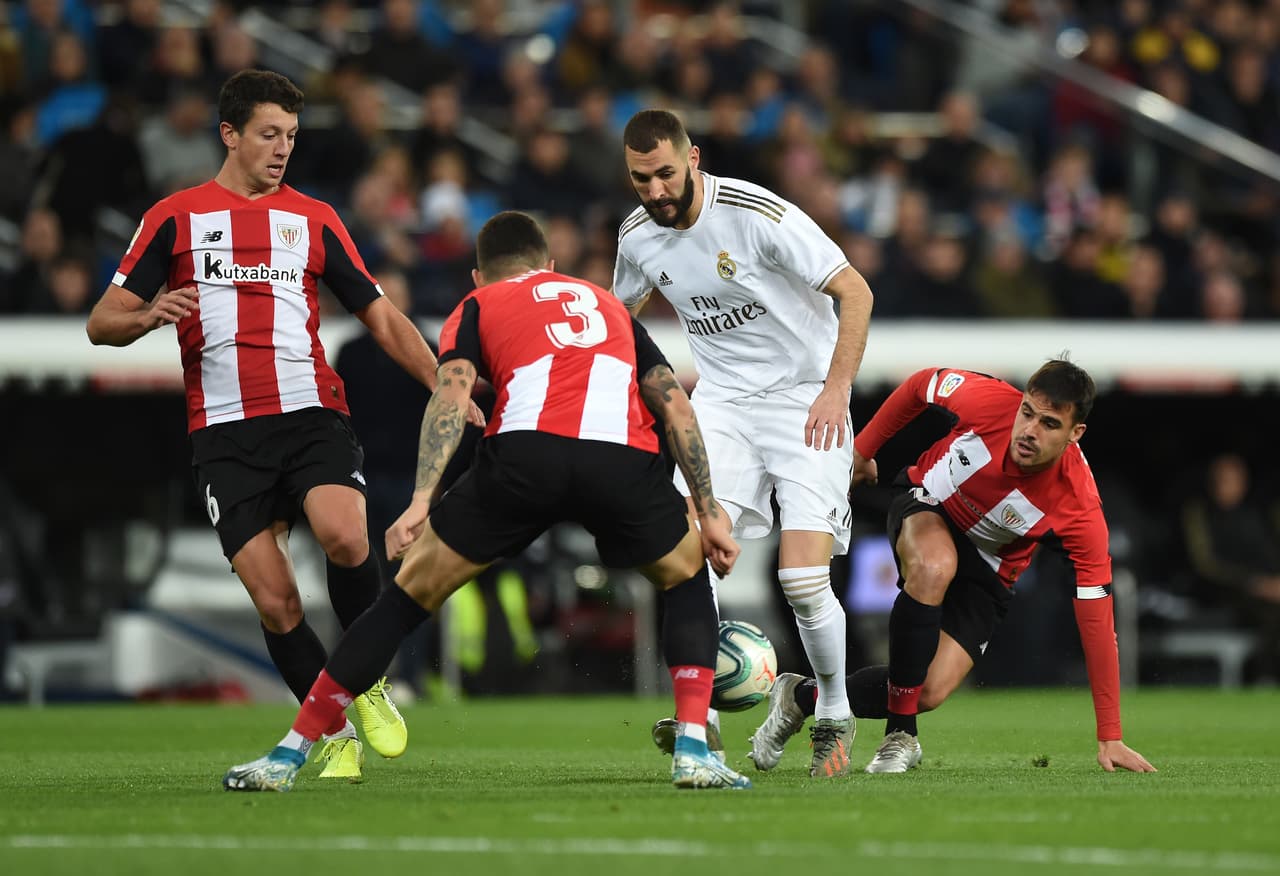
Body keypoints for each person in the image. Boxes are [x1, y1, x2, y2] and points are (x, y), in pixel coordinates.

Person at [222, 210, 753, 792]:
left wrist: (422, 500)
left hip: (524, 457)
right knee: (685, 578)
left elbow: (451, 397)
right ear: (550, 266)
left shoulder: (476, 307)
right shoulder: (606, 305)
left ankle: (289, 754)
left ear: (479, 276)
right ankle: (694, 751)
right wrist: (708, 513)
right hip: (620, 458)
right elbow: (673, 401)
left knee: (401, 603)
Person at [85, 70, 481, 781]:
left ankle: (370, 684)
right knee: (276, 599)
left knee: (346, 532)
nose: (282, 150)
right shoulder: (174, 218)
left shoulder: (315, 218)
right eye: (269, 134)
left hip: (309, 409)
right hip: (225, 431)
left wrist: (442, 383)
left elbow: (381, 314)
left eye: (292, 137)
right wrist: (147, 315)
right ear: (229, 134)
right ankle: (331, 735)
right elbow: (100, 322)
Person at [612, 109, 875, 778]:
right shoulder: (638, 236)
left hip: (805, 395)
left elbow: (856, 290)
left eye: (666, 173)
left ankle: (834, 713)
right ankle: (703, 722)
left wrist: (836, 390)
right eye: (641, 178)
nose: (655, 191)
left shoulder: (756, 214)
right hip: (723, 403)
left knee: (801, 578)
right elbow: (618, 324)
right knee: (683, 556)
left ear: (693, 158)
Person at [748, 360, 1158, 775]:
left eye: (1049, 424)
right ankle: (900, 735)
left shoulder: (1080, 509)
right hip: (928, 504)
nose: (1029, 431)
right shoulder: (990, 401)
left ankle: (799, 697)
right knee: (934, 565)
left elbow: (1097, 621)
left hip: (991, 570)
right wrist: (862, 451)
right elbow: (919, 386)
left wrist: (1110, 736)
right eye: (1028, 413)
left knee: (928, 690)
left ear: (1075, 434)